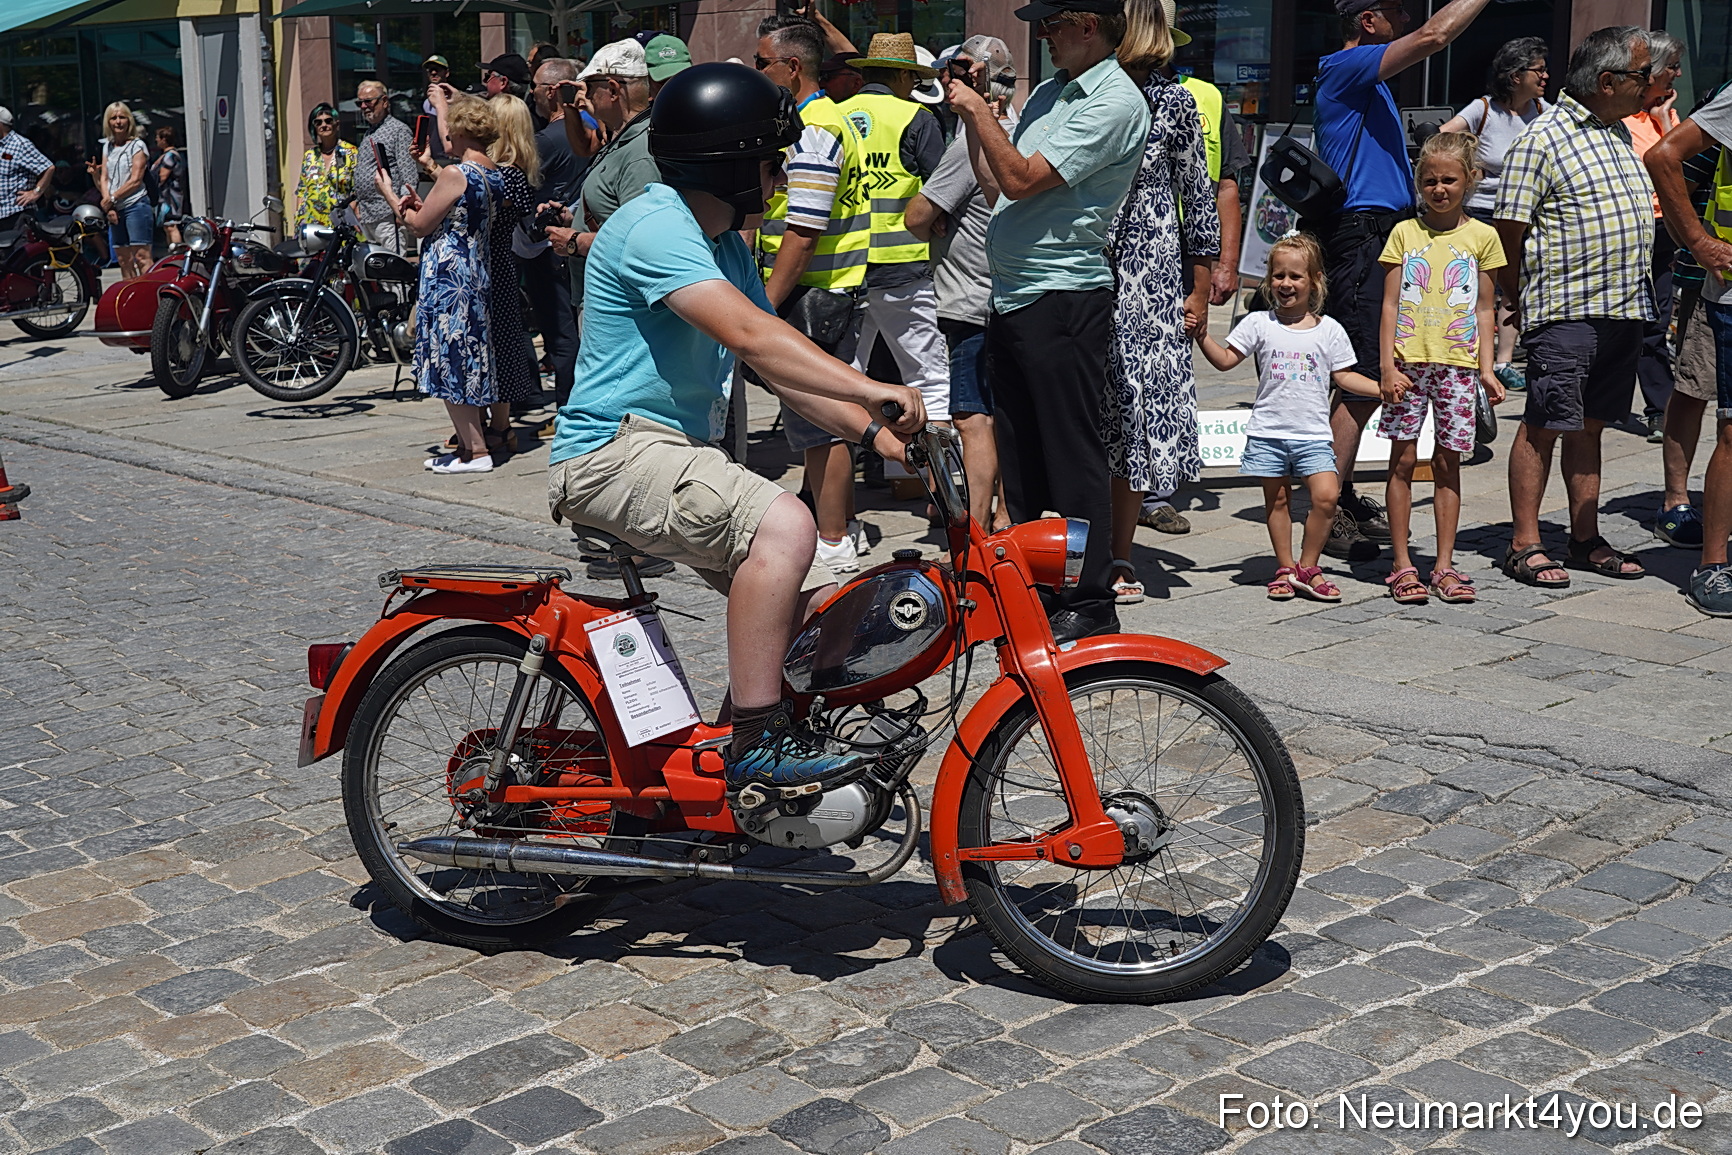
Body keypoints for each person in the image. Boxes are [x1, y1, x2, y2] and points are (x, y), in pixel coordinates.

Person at [544, 63, 924, 797]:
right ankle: (755, 745)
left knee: (830, 611)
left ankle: (726, 786)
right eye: (769, 158)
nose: (779, 173)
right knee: (787, 525)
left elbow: (783, 374)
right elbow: (752, 336)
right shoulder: (657, 225)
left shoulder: (722, 245)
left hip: (669, 450)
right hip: (611, 450)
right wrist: (873, 385)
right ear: (725, 161)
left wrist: (888, 438)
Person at [945, 0, 1149, 643]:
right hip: (1015, 294)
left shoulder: (1113, 100)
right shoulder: (1053, 94)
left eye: (1051, 24)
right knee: (1022, 452)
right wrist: (983, 121)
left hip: (1062, 297)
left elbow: (1024, 177)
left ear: (1089, 24)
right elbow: (996, 184)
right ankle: (1035, 581)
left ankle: (1091, 597)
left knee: (1070, 452)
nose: (1041, 36)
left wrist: (980, 112)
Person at [1309, 0, 1493, 562]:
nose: (1410, 19)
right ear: (1369, 20)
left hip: (1379, 233)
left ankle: (1339, 492)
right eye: (1399, 10)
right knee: (1364, 371)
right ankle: (1329, 502)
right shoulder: (1347, 66)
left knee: (1369, 363)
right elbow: (1436, 35)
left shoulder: (1369, 77)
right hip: (1363, 235)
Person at [1494, 26, 1655, 589]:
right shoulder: (1543, 139)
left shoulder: (1615, 133)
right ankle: (1524, 543)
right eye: (1641, 75)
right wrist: (1518, 298)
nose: (1650, 84)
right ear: (1608, 81)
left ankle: (1584, 538)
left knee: (1591, 427)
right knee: (1543, 424)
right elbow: (1507, 233)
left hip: (1622, 308)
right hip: (1566, 308)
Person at [1100, 0, 1217, 607]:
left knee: (1133, 411)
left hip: (1146, 269)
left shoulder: (1174, 101)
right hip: (1086, 258)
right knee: (1087, 409)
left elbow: (1197, 197)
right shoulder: (1080, 91)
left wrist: (1198, 290)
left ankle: (1118, 551)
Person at [1195, 235, 1380, 600]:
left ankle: (1308, 566)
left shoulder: (1330, 330)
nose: (1285, 283)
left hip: (1313, 434)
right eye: (1278, 275)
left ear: (1314, 280)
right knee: (1276, 502)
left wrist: (1380, 389)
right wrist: (1202, 335)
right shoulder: (1258, 323)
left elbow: (1344, 377)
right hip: (1269, 432)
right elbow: (1226, 360)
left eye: (1295, 276)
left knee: (1326, 497)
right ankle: (1284, 567)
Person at [754, 13, 874, 571]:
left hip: (813, 291)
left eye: (762, 63)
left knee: (817, 421)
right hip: (826, 288)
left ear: (792, 66)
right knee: (827, 417)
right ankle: (840, 523)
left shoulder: (815, 128)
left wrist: (762, 307)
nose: (757, 72)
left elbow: (802, 234)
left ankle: (832, 541)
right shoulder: (821, 118)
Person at [1136, 0, 1252, 538]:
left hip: (1188, 255)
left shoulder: (1204, 98)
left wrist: (1225, 263)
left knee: (1171, 370)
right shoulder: (1112, 93)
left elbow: (1224, 184)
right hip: (1134, 253)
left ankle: (1156, 490)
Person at [834, 32, 950, 568]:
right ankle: (942, 492)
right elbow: (943, 188)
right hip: (902, 270)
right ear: (904, 78)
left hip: (843, 269)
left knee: (838, 388)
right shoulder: (914, 120)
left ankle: (837, 517)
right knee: (929, 378)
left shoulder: (834, 115)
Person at [1377, 132, 1506, 606]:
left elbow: (1485, 309)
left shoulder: (1483, 237)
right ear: (1419, 182)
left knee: (1449, 462)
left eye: (1449, 180)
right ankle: (1401, 562)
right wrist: (1387, 366)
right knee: (1403, 461)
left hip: (1457, 366)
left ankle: (1444, 564)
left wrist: (1488, 369)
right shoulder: (1404, 234)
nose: (1439, 189)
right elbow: (1389, 305)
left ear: (1469, 180)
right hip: (1410, 364)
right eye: (1430, 180)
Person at [907, 34, 1018, 532]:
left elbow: (917, 215)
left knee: (974, 419)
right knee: (1008, 417)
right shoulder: (1025, 131)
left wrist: (932, 216)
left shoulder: (971, 138)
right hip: (1014, 296)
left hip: (971, 300)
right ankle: (1008, 513)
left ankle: (975, 529)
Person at [376, 94, 508, 474]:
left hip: (448, 276)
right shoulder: (492, 174)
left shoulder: (456, 174)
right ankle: (468, 448)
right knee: (467, 358)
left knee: (452, 360)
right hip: (473, 274)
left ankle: (477, 451)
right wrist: (423, 204)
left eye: (448, 129)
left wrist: (388, 190)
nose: (444, 136)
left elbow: (418, 225)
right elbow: (452, 217)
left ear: (463, 131)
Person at [1647, 77, 1732, 615]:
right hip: (1721, 287)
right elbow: (1667, 158)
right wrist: (1698, 242)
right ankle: (1711, 558)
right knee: (1717, 412)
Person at [1440, 35, 1549, 395]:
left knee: (1513, 286)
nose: (1545, 76)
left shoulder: (1544, 112)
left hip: (1524, 214)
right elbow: (1441, 140)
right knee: (1478, 289)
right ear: (1516, 75)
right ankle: (1471, 356)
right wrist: (1468, 168)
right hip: (1483, 213)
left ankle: (1503, 362)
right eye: (1539, 69)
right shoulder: (1483, 108)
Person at [1623, 31, 1685, 441]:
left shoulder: (1665, 116)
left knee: (1657, 317)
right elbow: (1645, 165)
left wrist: (1664, 121)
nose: (1678, 74)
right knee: (1626, 319)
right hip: (1633, 226)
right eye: (1672, 67)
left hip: (1665, 228)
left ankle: (1658, 406)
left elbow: (1676, 163)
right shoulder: (1622, 116)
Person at [483, 93, 541, 456]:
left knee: (496, 344)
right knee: (494, 342)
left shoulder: (506, 176)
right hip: (497, 265)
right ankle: (491, 425)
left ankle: (499, 426)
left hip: (492, 266)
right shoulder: (512, 174)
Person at [526, 57, 585, 412]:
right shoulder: (591, 131)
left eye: (534, 86)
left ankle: (568, 409)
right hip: (579, 241)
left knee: (560, 332)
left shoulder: (545, 140)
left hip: (551, 246)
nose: (530, 94)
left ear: (551, 91)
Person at [88, 103, 149, 280]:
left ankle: (152, 299)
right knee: (123, 258)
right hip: (116, 207)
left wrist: (112, 198)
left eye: (122, 117)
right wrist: (109, 205)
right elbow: (105, 178)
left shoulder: (138, 146)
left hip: (135, 205)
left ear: (129, 120)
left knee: (141, 257)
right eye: (114, 118)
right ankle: (131, 297)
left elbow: (136, 180)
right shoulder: (108, 146)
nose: (118, 122)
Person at [356, 81, 416, 254]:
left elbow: (409, 176)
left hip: (389, 216)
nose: (364, 106)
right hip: (368, 215)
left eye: (369, 101)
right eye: (359, 102)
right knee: (376, 272)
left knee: (392, 273)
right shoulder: (369, 133)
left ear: (384, 101)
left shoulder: (399, 131)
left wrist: (401, 214)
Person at [293, 102, 357, 229]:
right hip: (310, 222)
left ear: (336, 124)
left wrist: (347, 216)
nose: (324, 125)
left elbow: (357, 191)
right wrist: (298, 217)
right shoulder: (310, 155)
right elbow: (302, 190)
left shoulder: (350, 152)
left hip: (338, 222)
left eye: (328, 121)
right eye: (318, 122)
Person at [0, 107, 54, 230]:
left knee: (19, 249)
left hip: (16, 213)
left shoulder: (20, 144)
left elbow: (48, 168)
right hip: (1, 214)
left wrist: (36, 192)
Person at [152, 126, 185, 246]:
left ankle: (177, 251)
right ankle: (171, 252)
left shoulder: (170, 156)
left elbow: (162, 177)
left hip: (170, 197)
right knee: (167, 226)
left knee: (171, 225)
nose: (156, 140)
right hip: (163, 197)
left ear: (164, 139)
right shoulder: (165, 155)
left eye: (158, 138)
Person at [423, 56, 453, 162]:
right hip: (432, 157)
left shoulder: (454, 100)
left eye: (438, 69)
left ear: (447, 73)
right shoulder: (426, 103)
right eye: (430, 70)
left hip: (450, 156)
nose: (434, 73)